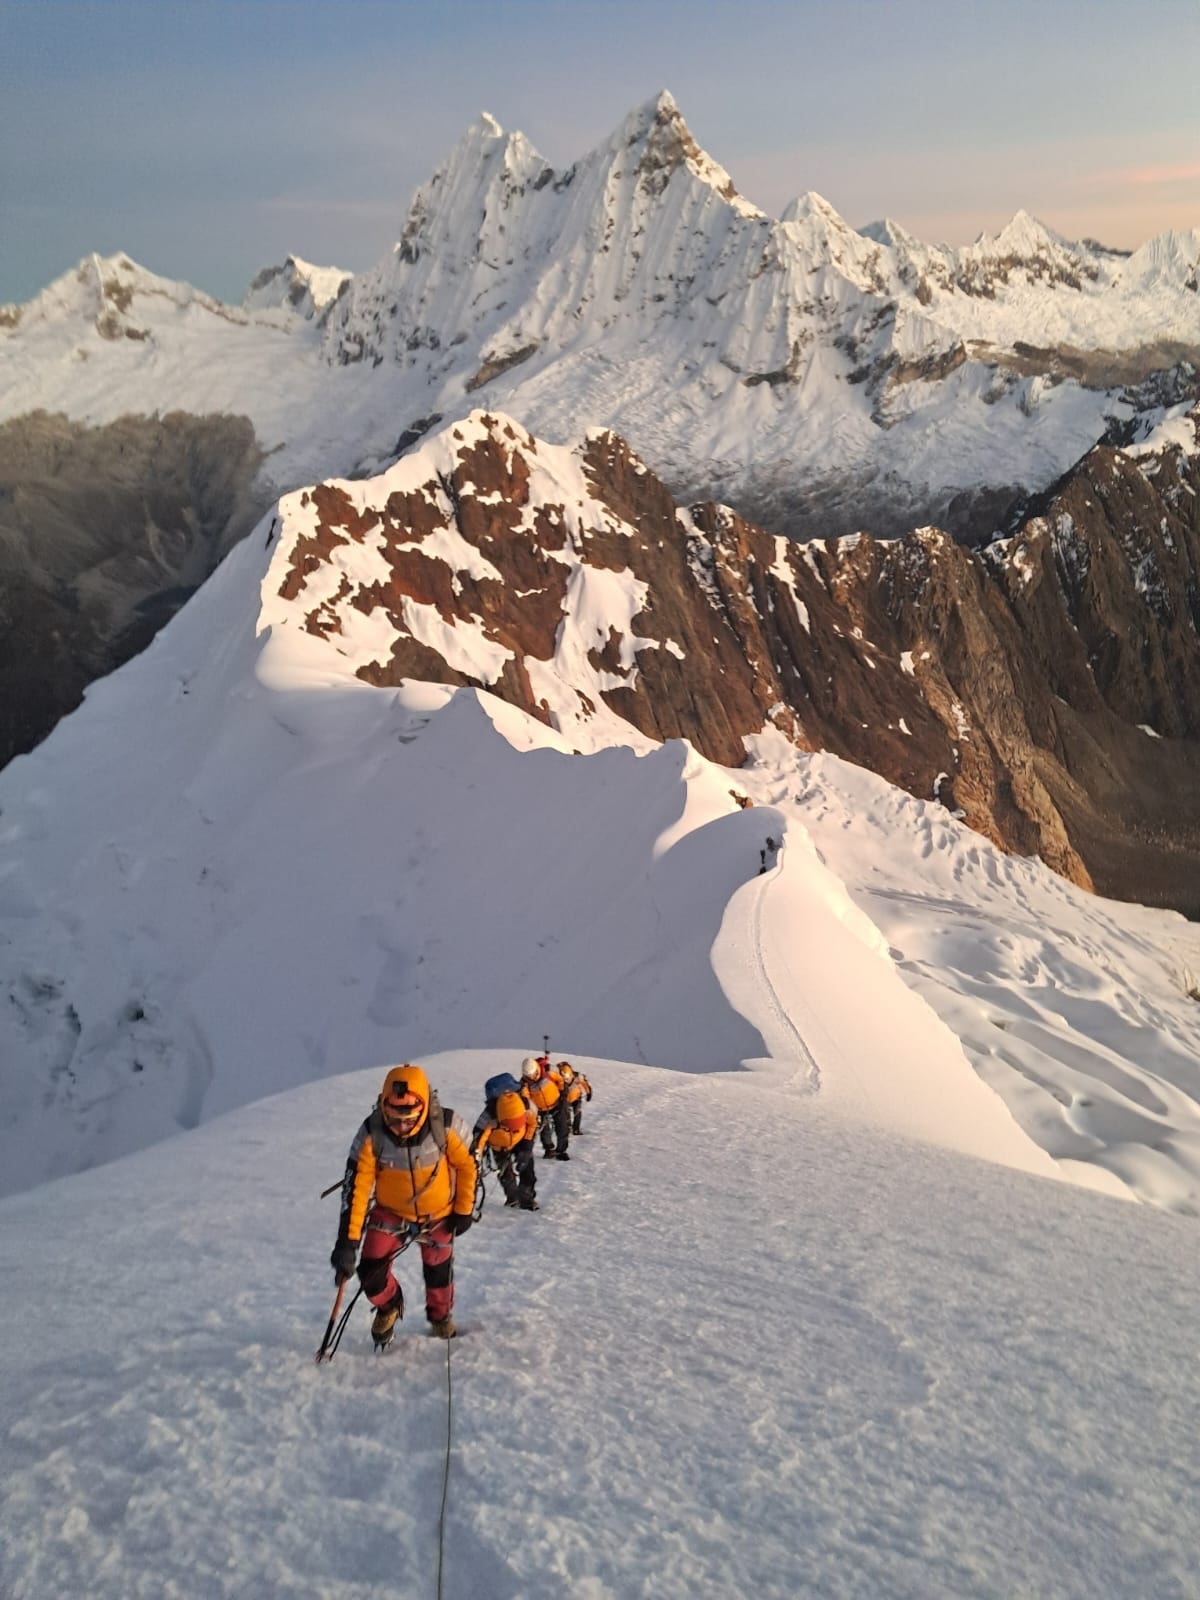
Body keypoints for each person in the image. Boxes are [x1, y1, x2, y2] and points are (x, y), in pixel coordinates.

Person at [330, 1062, 477, 1345]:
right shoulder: (371, 1134)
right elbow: (356, 1189)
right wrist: (347, 1242)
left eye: (409, 1119)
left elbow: (468, 1165)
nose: (402, 1126)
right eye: (395, 1119)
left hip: (439, 1215)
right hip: (391, 1212)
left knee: (438, 1276)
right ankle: (389, 1305)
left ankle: (440, 1319)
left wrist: (463, 1209)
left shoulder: (446, 1126)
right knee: (370, 1272)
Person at [473, 1086, 539, 1210]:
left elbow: (532, 1124)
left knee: (527, 1169)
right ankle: (512, 1198)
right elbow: (479, 1141)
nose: (514, 1129)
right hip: (499, 1147)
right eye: (510, 1126)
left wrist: (527, 1146)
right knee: (505, 1173)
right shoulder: (488, 1118)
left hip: (521, 1141)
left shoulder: (527, 1109)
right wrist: (477, 1159)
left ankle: (527, 1199)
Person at [522, 1054, 570, 1160]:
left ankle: (561, 1151)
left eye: (533, 1074)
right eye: (528, 1076)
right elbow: (526, 1098)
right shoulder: (524, 1084)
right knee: (544, 1131)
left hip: (557, 1103)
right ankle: (549, 1149)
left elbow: (560, 1080)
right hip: (540, 1109)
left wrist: (563, 1094)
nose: (532, 1078)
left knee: (562, 1127)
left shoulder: (548, 1071)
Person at [557, 1061, 593, 1135]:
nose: (566, 1081)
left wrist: (589, 1093)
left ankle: (576, 1129)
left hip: (576, 1098)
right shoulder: (558, 1079)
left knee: (577, 1113)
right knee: (565, 1114)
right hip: (564, 1099)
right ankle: (567, 1127)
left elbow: (585, 1084)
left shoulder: (578, 1077)